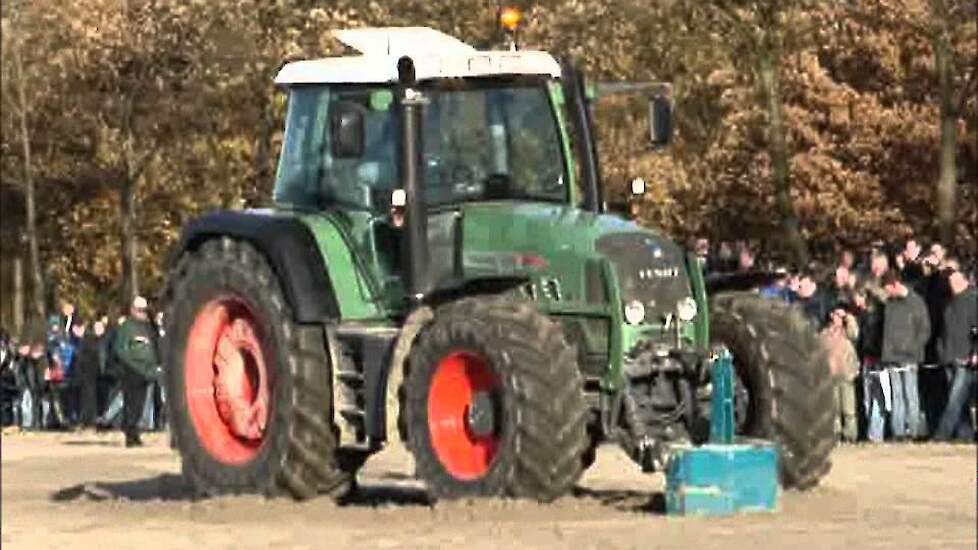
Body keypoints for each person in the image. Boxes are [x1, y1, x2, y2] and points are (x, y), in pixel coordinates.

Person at [880, 269, 930, 441]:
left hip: (910, 356)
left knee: (911, 393)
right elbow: (886, 332)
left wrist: (912, 349)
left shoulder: (916, 302)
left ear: (895, 284)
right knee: (896, 395)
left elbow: (924, 330)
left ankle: (914, 431)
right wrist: (886, 355)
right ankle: (898, 431)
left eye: (887, 288)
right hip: (892, 356)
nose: (886, 293)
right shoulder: (890, 304)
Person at [933, 267, 978, 441]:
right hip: (948, 356)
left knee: (955, 399)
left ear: (965, 281)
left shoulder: (973, 300)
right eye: (951, 282)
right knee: (960, 400)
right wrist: (941, 350)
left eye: (956, 281)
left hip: (965, 357)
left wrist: (975, 351)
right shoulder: (948, 302)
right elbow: (943, 330)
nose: (953, 285)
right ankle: (965, 434)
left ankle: (942, 434)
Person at [113, 296, 162, 447]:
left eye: (144, 310)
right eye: (139, 310)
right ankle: (130, 434)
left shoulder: (148, 327)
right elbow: (121, 350)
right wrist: (132, 365)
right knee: (131, 403)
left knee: (140, 405)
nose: (142, 313)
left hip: (146, 371)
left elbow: (155, 347)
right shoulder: (126, 327)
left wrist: (155, 366)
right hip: (131, 371)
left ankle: (135, 433)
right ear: (133, 310)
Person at [821, 301, 860, 442]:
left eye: (841, 315)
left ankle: (851, 434)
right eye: (837, 315)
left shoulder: (847, 332)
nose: (839, 318)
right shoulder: (824, 334)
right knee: (834, 408)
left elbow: (854, 333)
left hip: (847, 373)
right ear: (831, 315)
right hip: (831, 375)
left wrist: (848, 317)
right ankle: (835, 434)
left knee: (849, 408)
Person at [75, 318, 103, 430]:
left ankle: (89, 420)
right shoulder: (90, 339)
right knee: (88, 396)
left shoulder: (89, 340)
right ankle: (88, 420)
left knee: (88, 396)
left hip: (90, 372)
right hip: (89, 372)